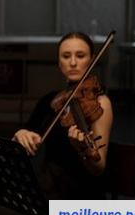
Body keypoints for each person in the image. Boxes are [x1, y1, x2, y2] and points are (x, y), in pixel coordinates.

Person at [13, 32, 113, 199]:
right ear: (59, 63)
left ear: (91, 59)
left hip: (81, 195)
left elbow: (98, 167)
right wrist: (21, 134)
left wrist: (83, 149)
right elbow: (29, 131)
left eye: (80, 56)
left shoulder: (100, 103)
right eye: (66, 56)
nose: (73, 62)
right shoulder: (51, 100)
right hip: (48, 187)